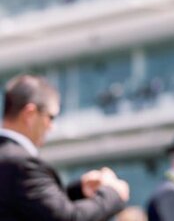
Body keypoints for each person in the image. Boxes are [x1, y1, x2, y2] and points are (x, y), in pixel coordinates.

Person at [0, 74, 130, 220]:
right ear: (30, 114)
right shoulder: (22, 165)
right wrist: (112, 194)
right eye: (50, 117)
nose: (51, 127)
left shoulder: (11, 162)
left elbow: (33, 207)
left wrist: (78, 191)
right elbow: (67, 218)